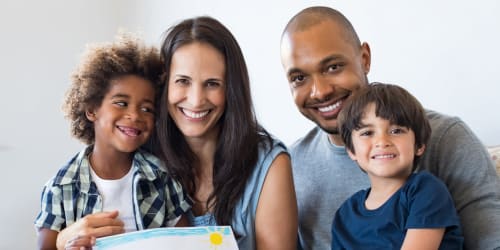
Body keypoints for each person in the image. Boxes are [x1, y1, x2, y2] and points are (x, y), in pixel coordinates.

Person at [280, 6, 500, 250]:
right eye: (299, 78)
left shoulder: (446, 139)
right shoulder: (290, 167)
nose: (320, 91)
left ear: (364, 58)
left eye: (333, 67)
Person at [34, 34, 192, 250]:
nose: (135, 115)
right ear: (91, 109)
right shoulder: (60, 188)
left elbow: (188, 242)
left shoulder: (162, 177)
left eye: (146, 108)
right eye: (121, 103)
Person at [155, 16, 297, 249]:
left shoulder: (269, 163)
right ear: (163, 84)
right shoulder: (144, 159)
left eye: (212, 83)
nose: (196, 100)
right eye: (182, 81)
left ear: (231, 89)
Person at [332, 83, 463, 249]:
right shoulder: (345, 215)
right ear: (351, 150)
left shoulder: (426, 191)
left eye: (396, 131)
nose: (382, 142)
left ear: (419, 144)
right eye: (367, 133)